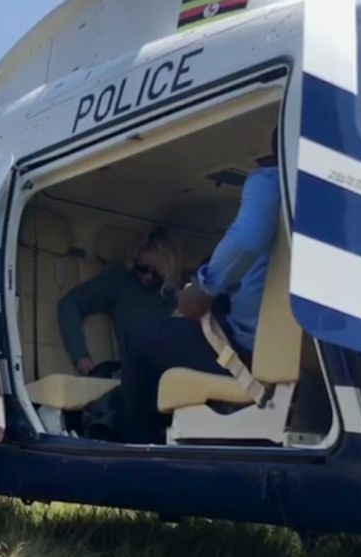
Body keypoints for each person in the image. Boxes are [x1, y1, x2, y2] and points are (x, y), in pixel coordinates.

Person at [119, 130, 282, 444]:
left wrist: (204, 288)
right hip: (304, 357)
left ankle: (133, 445)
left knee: (136, 337)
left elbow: (248, 238)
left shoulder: (274, 180)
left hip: (243, 351)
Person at [58, 229, 182, 376]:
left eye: (157, 274)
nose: (148, 277)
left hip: (174, 374)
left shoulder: (175, 294)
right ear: (135, 258)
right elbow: (70, 303)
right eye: (143, 269)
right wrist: (81, 357)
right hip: (137, 375)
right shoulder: (119, 280)